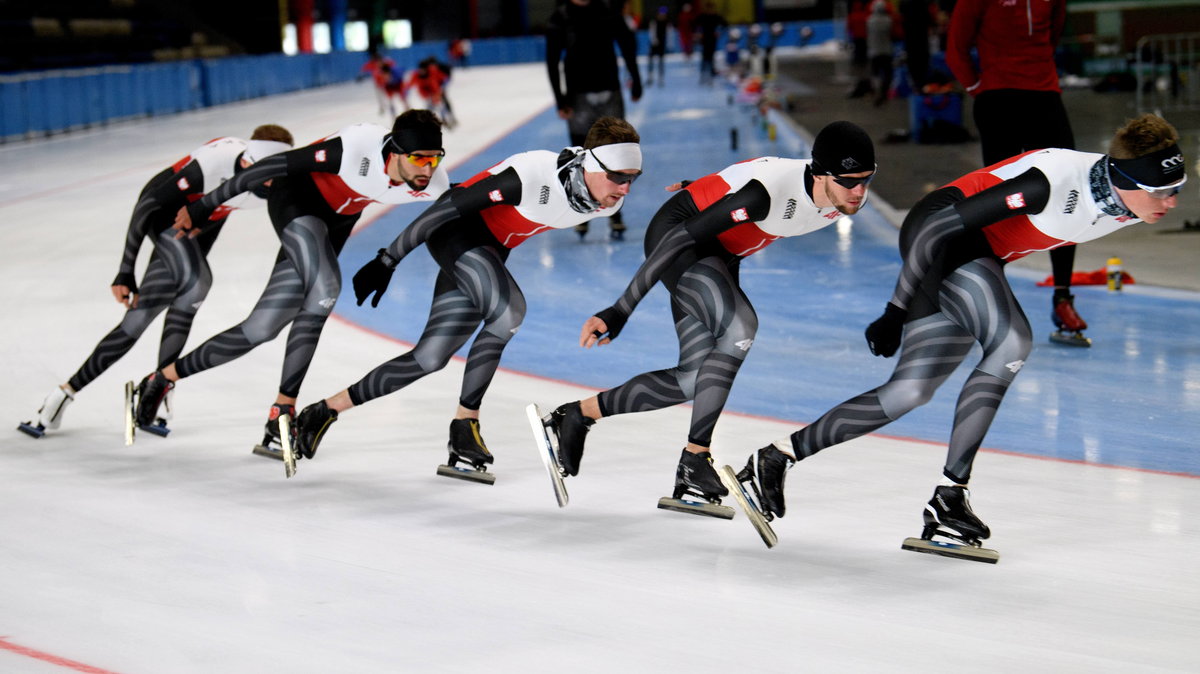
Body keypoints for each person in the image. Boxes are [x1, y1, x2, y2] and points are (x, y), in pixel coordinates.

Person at [731, 114, 1185, 550]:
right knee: (1011, 341)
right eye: (1162, 191)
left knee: (909, 391)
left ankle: (773, 459)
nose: (1172, 202)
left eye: (1176, 189)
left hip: (979, 255)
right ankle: (951, 496)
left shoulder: (1123, 198)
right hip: (941, 235)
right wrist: (896, 309)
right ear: (1126, 182)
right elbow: (939, 229)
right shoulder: (1050, 184)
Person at [540, 122, 877, 509]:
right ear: (821, 174)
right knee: (741, 327)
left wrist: (710, 186)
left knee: (691, 380)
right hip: (680, 240)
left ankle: (576, 416)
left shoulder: (834, 188)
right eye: (849, 181)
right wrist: (620, 309)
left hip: (722, 253)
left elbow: (757, 165)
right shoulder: (763, 196)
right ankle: (695, 457)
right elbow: (681, 237)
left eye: (867, 180)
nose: (859, 191)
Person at [287, 117, 644, 477]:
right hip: (454, 232)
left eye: (632, 178)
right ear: (589, 165)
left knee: (429, 357)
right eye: (618, 177)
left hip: (489, 251)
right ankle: (466, 425)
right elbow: (444, 209)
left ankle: (324, 410)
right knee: (509, 313)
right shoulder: (532, 175)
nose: (625, 189)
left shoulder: (606, 201)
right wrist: (388, 259)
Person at [131, 111, 450, 455]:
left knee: (260, 328)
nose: (427, 169)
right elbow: (271, 167)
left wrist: (388, 260)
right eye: (419, 159)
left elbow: (454, 209)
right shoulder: (354, 147)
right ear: (396, 152)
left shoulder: (433, 182)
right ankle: (282, 410)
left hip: (337, 221)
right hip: (296, 200)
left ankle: (162, 378)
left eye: (435, 159)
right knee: (325, 289)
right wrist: (205, 205)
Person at [18, 125, 294, 439]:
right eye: (264, 173)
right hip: (164, 215)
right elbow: (148, 203)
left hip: (197, 229)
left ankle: (63, 395)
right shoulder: (216, 160)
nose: (271, 183)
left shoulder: (278, 180)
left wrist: (197, 251)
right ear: (246, 162)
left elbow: (225, 212)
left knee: (146, 315)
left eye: (277, 174)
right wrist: (125, 270)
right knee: (198, 283)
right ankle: (158, 384)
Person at [946, 0, 1086, 346]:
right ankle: (991, 303)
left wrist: (1036, 73)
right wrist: (977, 87)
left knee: (1068, 191)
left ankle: (1063, 296)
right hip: (998, 99)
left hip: (1043, 95)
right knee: (997, 204)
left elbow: (1052, 32)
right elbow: (956, 48)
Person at [546, 0, 642, 241]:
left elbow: (626, 43)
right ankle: (582, 212)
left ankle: (614, 214)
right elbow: (552, 58)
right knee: (581, 156)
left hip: (609, 89)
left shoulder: (608, 9)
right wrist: (560, 99)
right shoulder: (561, 16)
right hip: (578, 95)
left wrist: (636, 78)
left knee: (616, 154)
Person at [403, 57, 457, 129]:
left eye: (423, 69)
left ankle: (445, 119)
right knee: (429, 108)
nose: (422, 71)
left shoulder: (433, 71)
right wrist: (406, 90)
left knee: (440, 105)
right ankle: (430, 123)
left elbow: (443, 78)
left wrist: (443, 85)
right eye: (420, 69)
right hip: (425, 94)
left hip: (435, 92)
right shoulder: (416, 75)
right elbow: (409, 84)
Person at [866, 0, 894, 106]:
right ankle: (884, 92)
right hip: (886, 51)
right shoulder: (888, 20)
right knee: (887, 74)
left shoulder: (870, 20)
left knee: (875, 74)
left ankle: (877, 92)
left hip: (874, 52)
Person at [646, 5, 670, 87]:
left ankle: (661, 78)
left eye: (664, 14)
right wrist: (654, 40)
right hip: (654, 45)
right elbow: (651, 32)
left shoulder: (667, 23)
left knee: (661, 62)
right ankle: (650, 77)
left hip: (662, 45)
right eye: (661, 13)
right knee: (651, 61)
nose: (662, 15)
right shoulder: (654, 22)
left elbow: (669, 34)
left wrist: (668, 44)